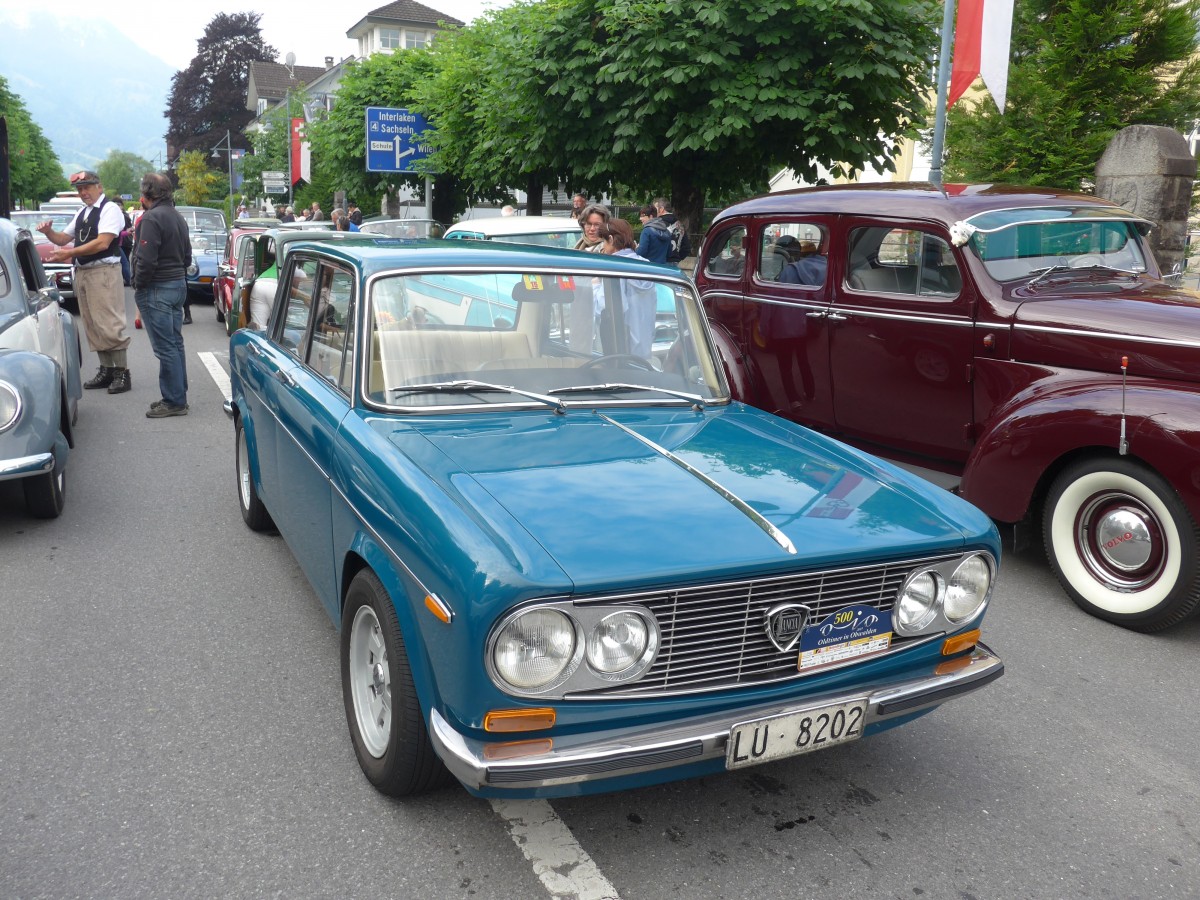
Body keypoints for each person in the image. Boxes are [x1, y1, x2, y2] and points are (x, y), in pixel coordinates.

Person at [37, 171, 132, 394]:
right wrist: (49, 232)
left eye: (87, 187)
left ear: (99, 186)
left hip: (103, 271)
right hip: (84, 271)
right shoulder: (83, 212)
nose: (83, 193)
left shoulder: (109, 209)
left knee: (109, 322)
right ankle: (107, 369)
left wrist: (68, 253)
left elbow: (102, 243)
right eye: (80, 189)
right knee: (92, 323)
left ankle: (122, 373)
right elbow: (63, 238)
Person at [132, 173, 192, 417]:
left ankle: (174, 401)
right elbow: (187, 257)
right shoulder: (178, 217)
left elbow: (146, 260)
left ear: (147, 195)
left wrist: (138, 283)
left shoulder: (151, 218)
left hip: (158, 287)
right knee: (175, 344)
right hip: (177, 284)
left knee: (166, 347)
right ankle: (177, 396)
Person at [599, 218, 657, 359]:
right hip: (645, 346)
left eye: (604, 242)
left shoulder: (613, 268)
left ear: (611, 240)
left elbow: (604, 307)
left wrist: (594, 286)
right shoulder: (647, 265)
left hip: (620, 350)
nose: (603, 247)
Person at [653, 197, 691, 264]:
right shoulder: (680, 225)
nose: (652, 211)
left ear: (661, 209)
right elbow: (686, 248)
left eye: (654, 209)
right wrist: (677, 258)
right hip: (674, 263)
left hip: (659, 263)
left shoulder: (657, 223)